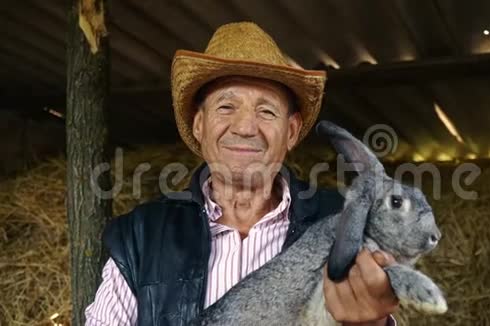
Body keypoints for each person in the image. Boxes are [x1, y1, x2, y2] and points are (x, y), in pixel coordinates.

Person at [85, 22, 399, 325]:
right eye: (226, 107)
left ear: (290, 132)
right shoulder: (142, 236)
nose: (246, 127)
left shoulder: (343, 225)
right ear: (199, 126)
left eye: (266, 111)